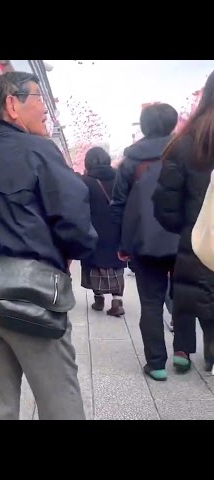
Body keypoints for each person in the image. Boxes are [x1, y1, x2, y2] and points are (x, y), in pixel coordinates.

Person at [0, 71, 97, 420]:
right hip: (36, 299)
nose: (46, 109)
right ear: (12, 105)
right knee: (59, 401)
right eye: (38, 98)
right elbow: (74, 219)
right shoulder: (40, 152)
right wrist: (73, 255)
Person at [110, 103, 182, 381]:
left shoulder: (130, 162)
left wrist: (122, 244)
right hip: (184, 241)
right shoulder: (187, 153)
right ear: (174, 123)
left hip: (143, 242)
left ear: (143, 126)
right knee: (187, 297)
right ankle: (186, 353)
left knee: (150, 303)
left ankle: (156, 363)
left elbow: (118, 205)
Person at [152, 71, 214, 373]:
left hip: (196, 240)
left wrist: (189, 229)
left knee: (190, 292)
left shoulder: (185, 143)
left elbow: (165, 205)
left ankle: (183, 350)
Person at [80, 146, 126, 315]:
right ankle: (117, 301)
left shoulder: (86, 181)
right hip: (116, 228)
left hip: (94, 229)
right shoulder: (120, 178)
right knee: (116, 265)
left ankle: (98, 298)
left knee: (95, 265)